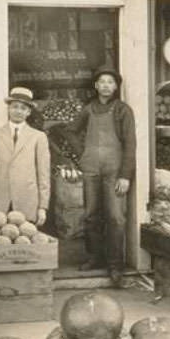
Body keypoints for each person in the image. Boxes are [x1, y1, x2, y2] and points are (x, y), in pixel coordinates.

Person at [62, 67, 136, 285]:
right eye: (101, 82)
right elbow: (70, 131)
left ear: (115, 87)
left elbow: (131, 144)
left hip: (114, 171)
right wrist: (81, 152)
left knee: (115, 217)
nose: (105, 85)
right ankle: (95, 257)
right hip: (91, 169)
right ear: (95, 86)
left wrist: (125, 175)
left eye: (110, 82)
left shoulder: (123, 110)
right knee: (92, 215)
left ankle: (115, 266)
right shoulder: (88, 109)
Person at [0, 86, 51, 227]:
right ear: (8, 109)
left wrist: (42, 207)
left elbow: (43, 174)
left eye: (23, 108)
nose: (18, 111)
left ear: (29, 112)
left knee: (25, 241)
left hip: (27, 201)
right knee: (0, 242)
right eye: (15, 106)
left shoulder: (38, 137)